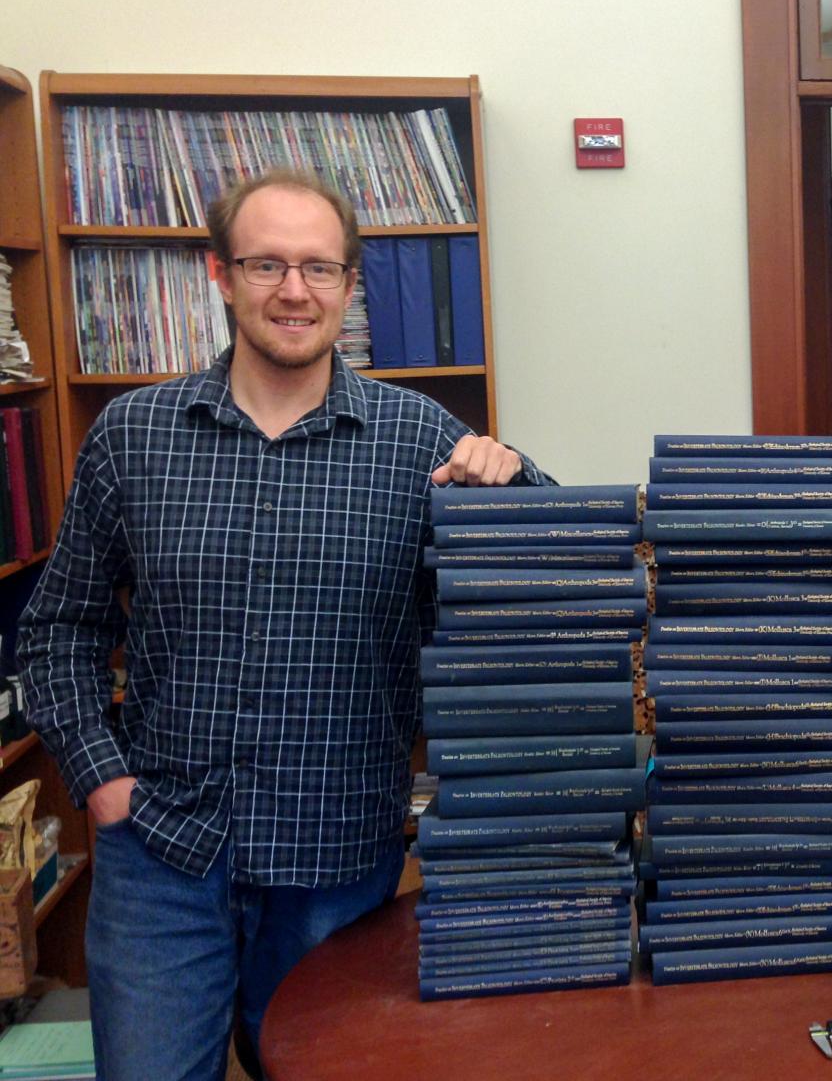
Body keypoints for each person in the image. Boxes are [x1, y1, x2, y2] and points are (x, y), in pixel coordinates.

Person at [18, 167, 554, 1081]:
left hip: (337, 862)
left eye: (319, 267)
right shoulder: (132, 435)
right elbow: (57, 629)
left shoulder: (422, 442)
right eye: (267, 264)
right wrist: (103, 782)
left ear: (351, 286)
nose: (294, 290)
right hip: (161, 856)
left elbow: (531, 608)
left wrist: (517, 479)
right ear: (220, 275)